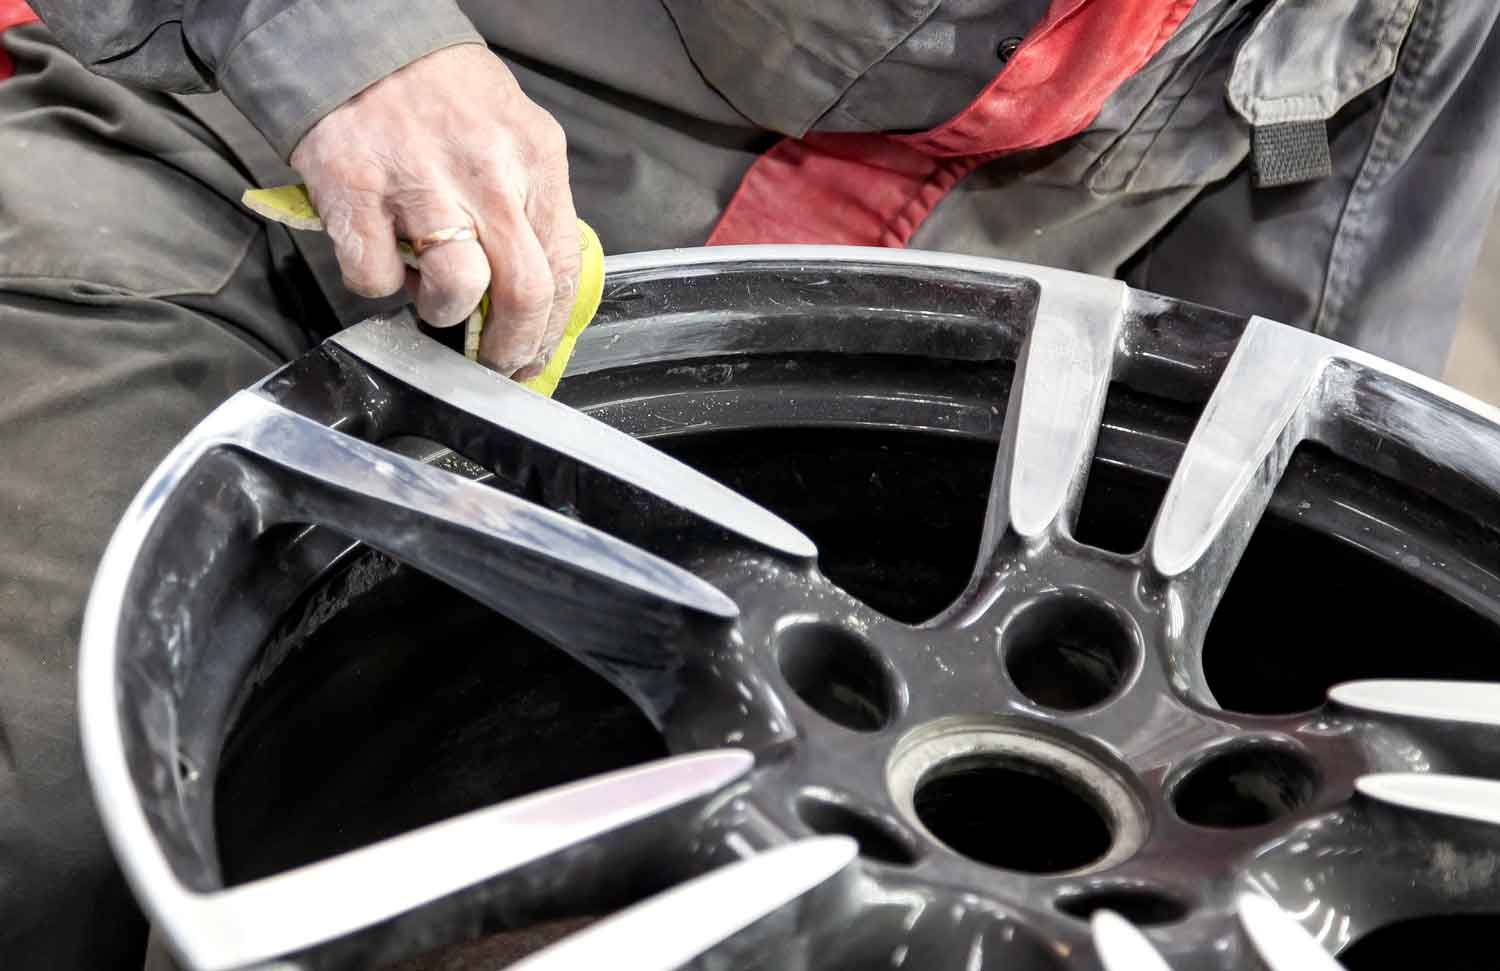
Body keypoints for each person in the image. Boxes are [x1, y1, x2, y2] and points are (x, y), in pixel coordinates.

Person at [3, 1, 1499, 967]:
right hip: (241, 169)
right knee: (39, 816)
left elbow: (1280, 372)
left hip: (810, 462)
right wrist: (341, 45)